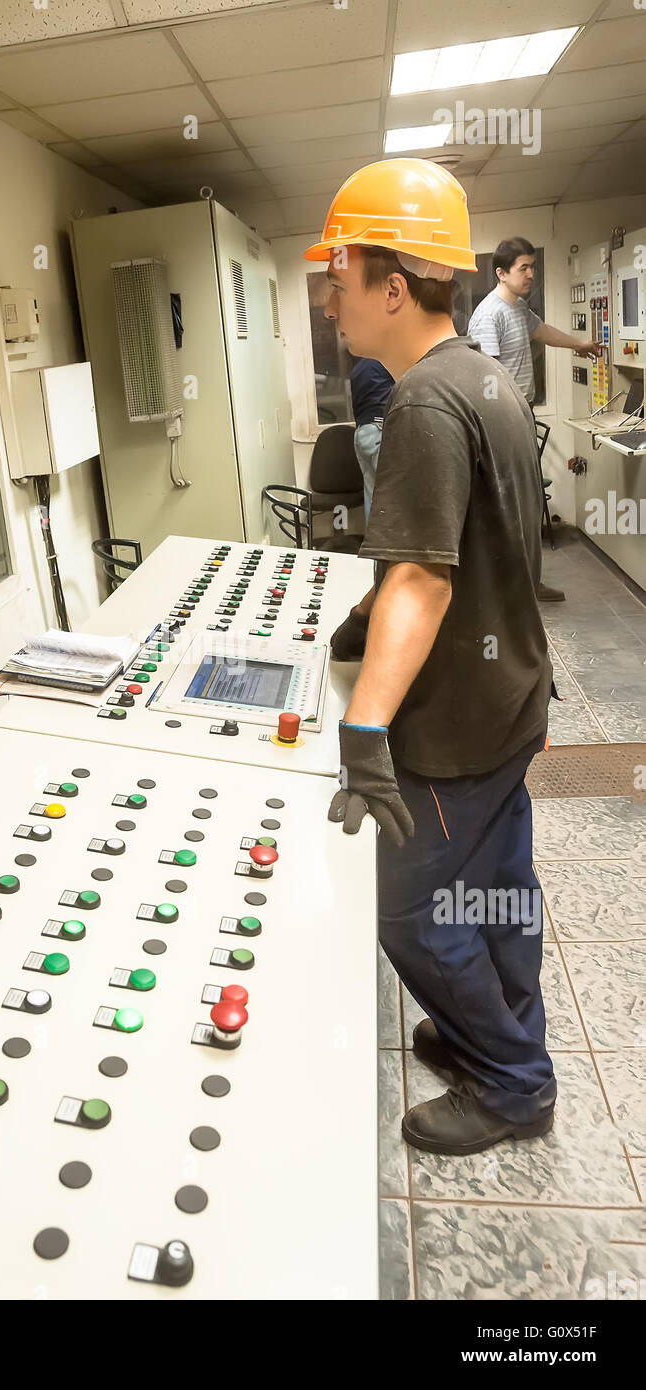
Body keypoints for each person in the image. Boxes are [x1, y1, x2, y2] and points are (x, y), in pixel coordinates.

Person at [306, 158, 556, 1154]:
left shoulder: (416, 402)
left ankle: (509, 1081)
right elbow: (463, 546)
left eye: (340, 279)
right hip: (510, 700)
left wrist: (364, 725)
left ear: (391, 285)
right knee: (496, 883)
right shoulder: (482, 376)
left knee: (409, 906)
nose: (333, 303)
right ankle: (493, 1036)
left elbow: (423, 579)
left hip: (452, 725)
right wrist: (369, 618)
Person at [468, 237, 600, 603]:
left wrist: (580, 344)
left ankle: (528, 582)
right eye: (523, 268)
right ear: (501, 273)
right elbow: (487, 377)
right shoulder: (488, 314)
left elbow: (541, 331)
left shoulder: (518, 308)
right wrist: (505, 419)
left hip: (520, 410)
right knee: (507, 502)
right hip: (501, 416)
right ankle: (506, 589)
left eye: (532, 267)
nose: (530, 274)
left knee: (527, 501)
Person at [348, 354, 393, 521]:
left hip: (362, 433)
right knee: (391, 495)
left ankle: (373, 545)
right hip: (379, 431)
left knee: (372, 496)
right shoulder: (386, 362)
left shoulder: (357, 370)